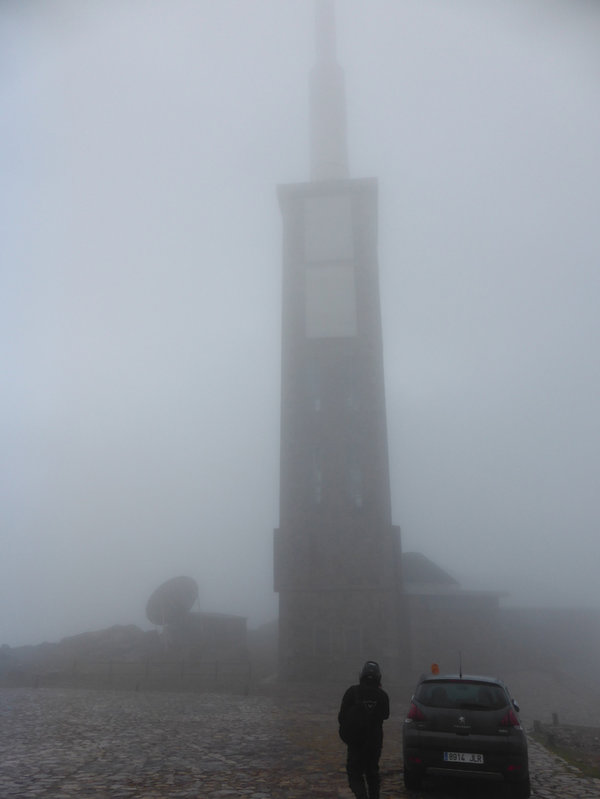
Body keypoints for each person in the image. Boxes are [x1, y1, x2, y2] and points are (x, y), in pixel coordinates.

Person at [338, 660, 390, 799]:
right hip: (374, 742)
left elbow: (341, 717)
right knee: (372, 773)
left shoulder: (352, 692)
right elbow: (386, 715)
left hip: (356, 742)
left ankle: (361, 796)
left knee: (354, 774)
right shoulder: (382, 695)